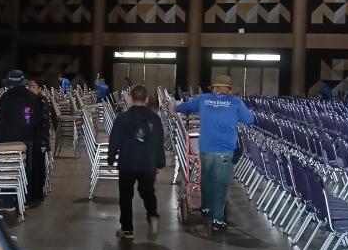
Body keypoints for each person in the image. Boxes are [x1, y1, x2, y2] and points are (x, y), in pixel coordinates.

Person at [176, 75, 255, 231]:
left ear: (214, 88)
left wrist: (177, 109)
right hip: (224, 150)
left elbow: (183, 107)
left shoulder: (203, 99)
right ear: (229, 90)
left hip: (205, 147)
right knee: (220, 184)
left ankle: (206, 207)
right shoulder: (236, 103)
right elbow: (250, 120)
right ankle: (217, 219)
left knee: (206, 178)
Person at [108, 86, 166, 240]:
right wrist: (159, 163)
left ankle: (127, 229)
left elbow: (115, 140)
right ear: (146, 99)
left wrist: (111, 159)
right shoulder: (155, 119)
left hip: (127, 162)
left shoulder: (123, 118)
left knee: (125, 196)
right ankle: (152, 214)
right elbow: (159, 142)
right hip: (147, 162)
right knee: (147, 192)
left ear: (131, 99)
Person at [0, 70, 45, 205]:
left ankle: (8, 194)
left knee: (8, 164)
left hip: (7, 143)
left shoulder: (5, 98)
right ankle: (25, 195)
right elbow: (37, 120)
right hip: (28, 140)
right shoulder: (32, 98)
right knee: (28, 163)